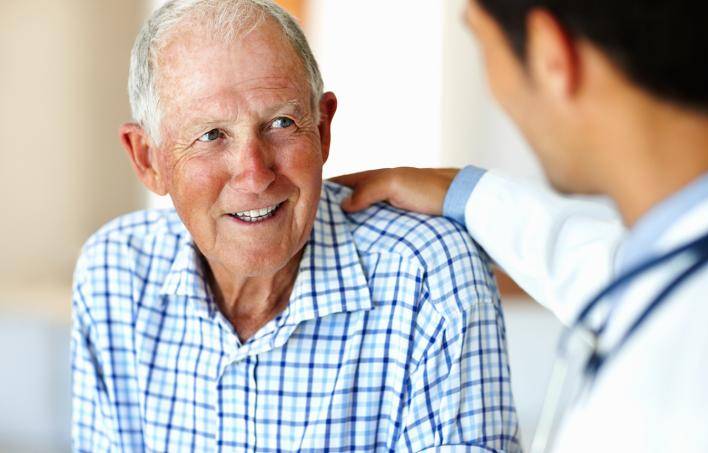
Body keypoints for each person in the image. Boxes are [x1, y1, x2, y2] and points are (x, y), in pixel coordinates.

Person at [334, 0, 708, 451]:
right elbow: (624, 269)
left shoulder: (682, 400)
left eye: (480, 42)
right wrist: (470, 194)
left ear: (552, 55)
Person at [70, 1, 521, 451]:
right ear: (148, 159)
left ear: (323, 130)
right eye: (211, 135)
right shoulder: (114, 273)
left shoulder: (429, 274)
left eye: (281, 123)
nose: (255, 173)